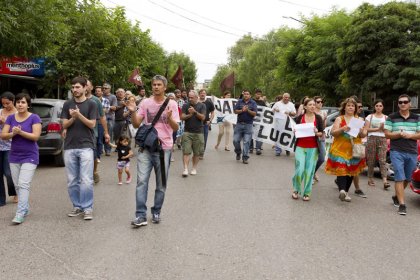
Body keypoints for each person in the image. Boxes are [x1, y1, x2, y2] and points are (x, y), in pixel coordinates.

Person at [127, 75, 179, 227]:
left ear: (165, 87)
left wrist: (169, 119)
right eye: (154, 84)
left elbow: (175, 128)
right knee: (141, 181)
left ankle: (156, 211)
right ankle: (140, 215)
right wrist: (132, 112)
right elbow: (137, 124)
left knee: (161, 184)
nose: (156, 87)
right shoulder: (145, 102)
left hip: (164, 148)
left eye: (159, 85)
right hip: (146, 148)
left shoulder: (172, 104)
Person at [61, 77, 98, 221]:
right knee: (72, 180)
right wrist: (72, 118)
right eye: (73, 87)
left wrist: (78, 115)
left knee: (86, 179)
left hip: (86, 146)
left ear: (85, 88)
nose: (74, 89)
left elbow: (92, 124)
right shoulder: (67, 104)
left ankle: (87, 208)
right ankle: (77, 206)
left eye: (77, 87)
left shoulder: (92, 104)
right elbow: (64, 125)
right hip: (69, 146)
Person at [1, 93, 41, 224]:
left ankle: (20, 213)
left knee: (23, 184)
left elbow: (35, 136)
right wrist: (13, 133)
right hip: (14, 156)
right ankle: (25, 208)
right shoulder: (11, 118)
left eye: (23, 102)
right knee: (18, 185)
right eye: (18, 102)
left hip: (30, 156)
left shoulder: (34, 118)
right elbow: (3, 135)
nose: (20, 104)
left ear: (28, 104)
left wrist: (20, 132)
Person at [325, 97, 367, 202]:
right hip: (340, 149)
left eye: (352, 106)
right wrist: (342, 129)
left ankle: (346, 192)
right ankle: (342, 190)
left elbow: (363, 135)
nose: (350, 107)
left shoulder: (360, 120)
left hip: (354, 149)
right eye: (348, 105)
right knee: (341, 169)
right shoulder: (340, 119)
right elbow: (333, 133)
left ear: (356, 108)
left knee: (351, 171)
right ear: (344, 107)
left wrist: (362, 131)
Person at [384, 94, 420, 215]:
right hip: (396, 151)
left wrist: (410, 136)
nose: (403, 104)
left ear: (410, 104)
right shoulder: (391, 117)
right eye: (400, 102)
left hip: (412, 151)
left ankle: (396, 196)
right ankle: (402, 204)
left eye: (405, 102)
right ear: (398, 104)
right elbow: (387, 134)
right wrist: (398, 134)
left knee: (408, 178)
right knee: (399, 175)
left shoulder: (416, 118)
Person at [291, 98, 324, 201]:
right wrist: (294, 131)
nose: (313, 106)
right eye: (310, 105)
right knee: (299, 169)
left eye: (314, 105)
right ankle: (296, 189)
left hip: (313, 148)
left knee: (309, 171)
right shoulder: (300, 117)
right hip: (300, 146)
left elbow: (321, 133)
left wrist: (316, 132)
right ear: (305, 107)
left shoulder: (318, 118)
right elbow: (294, 131)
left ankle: (306, 193)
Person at [86, 80, 110, 184]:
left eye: (87, 85)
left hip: (92, 133)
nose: (85, 87)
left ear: (91, 88)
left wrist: (106, 132)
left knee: (93, 155)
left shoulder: (96, 100)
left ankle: (94, 171)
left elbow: (102, 117)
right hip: (79, 134)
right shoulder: (74, 100)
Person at [364, 99, 390, 189]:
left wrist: (383, 129)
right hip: (371, 138)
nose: (378, 107)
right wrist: (377, 129)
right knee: (371, 160)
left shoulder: (386, 117)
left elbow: (388, 130)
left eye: (380, 106)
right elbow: (366, 129)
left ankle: (385, 180)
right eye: (377, 106)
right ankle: (370, 178)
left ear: (383, 107)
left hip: (383, 139)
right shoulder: (369, 117)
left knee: (382, 160)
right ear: (374, 107)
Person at [181, 90, 206, 177]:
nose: (190, 99)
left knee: (197, 153)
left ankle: (194, 168)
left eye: (192, 97)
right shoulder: (185, 105)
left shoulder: (202, 105)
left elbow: (203, 117)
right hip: (187, 132)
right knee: (186, 152)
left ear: (196, 97)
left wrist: (195, 112)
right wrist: (189, 115)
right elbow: (182, 117)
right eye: (189, 97)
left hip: (199, 132)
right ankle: (185, 169)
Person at [0, 92, 17, 206]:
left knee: (8, 173)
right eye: (3, 103)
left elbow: (17, 129)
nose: (5, 105)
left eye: (8, 103)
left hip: (10, 146)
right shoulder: (0, 112)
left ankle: (15, 192)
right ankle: (1, 200)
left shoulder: (17, 113)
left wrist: (4, 122)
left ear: (13, 101)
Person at [233, 89, 257, 164]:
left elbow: (254, 113)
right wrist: (242, 110)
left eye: (247, 94)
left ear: (250, 95)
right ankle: (238, 152)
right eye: (245, 94)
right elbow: (235, 111)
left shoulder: (253, 103)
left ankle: (245, 157)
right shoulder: (240, 101)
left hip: (248, 125)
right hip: (239, 124)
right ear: (243, 95)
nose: (246, 95)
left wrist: (248, 110)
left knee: (246, 142)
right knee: (235, 141)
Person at [313, 96, 327, 182]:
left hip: (321, 137)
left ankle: (313, 172)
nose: (320, 103)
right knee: (312, 157)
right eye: (318, 102)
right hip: (311, 137)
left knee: (322, 157)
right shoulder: (311, 112)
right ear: (314, 103)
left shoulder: (324, 113)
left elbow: (324, 126)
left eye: (321, 101)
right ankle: (310, 176)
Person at [94, 86, 110, 162]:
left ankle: (98, 156)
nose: (97, 92)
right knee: (94, 139)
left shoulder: (106, 100)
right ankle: (94, 155)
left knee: (100, 140)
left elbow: (106, 111)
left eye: (99, 91)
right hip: (93, 122)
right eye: (96, 91)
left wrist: (99, 110)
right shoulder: (91, 100)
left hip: (101, 122)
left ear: (102, 92)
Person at [198, 89, 215, 159]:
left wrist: (210, 121)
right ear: (199, 94)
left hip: (205, 124)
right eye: (201, 93)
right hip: (196, 124)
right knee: (197, 139)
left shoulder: (209, 102)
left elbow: (213, 113)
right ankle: (197, 151)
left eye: (204, 93)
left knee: (204, 139)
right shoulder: (196, 102)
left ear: (205, 94)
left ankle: (201, 153)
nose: (202, 94)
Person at [102, 83, 117, 156]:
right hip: (101, 118)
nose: (104, 89)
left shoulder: (113, 97)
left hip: (110, 118)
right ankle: (100, 149)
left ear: (109, 89)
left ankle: (108, 150)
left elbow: (114, 107)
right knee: (101, 133)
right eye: (103, 88)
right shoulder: (100, 96)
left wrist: (106, 106)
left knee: (108, 134)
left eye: (106, 88)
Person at [249, 89, 266, 155]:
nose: (258, 95)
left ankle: (258, 148)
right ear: (255, 94)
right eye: (257, 94)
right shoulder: (251, 101)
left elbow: (266, 111)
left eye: (259, 94)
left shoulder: (262, 102)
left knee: (259, 134)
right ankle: (251, 148)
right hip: (251, 120)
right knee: (251, 134)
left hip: (259, 121)